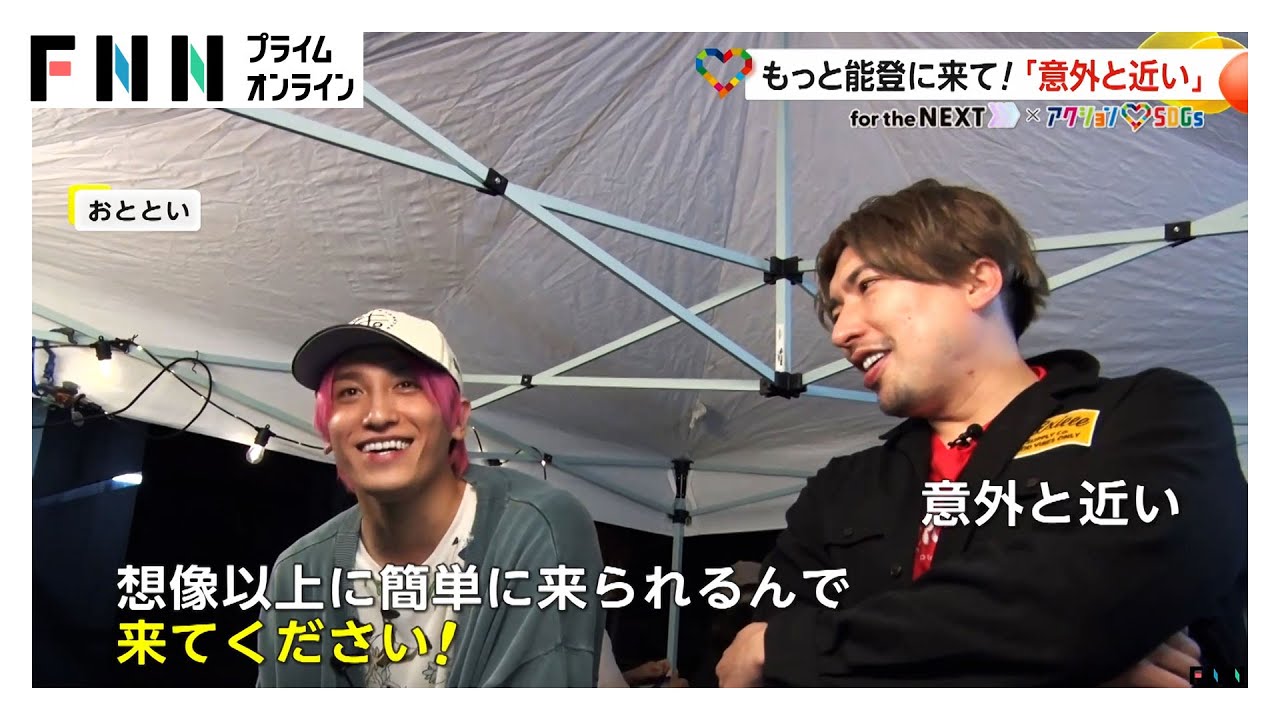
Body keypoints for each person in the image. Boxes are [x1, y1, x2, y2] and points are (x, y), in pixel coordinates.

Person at [716, 179, 1247, 687]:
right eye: (835, 310)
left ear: (978, 281)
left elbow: (1083, 606)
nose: (840, 332)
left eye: (867, 287)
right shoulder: (840, 490)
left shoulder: (1154, 415)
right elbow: (752, 675)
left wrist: (796, 652)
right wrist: (1055, 677)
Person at [255, 308, 605, 687]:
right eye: (350, 392)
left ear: (458, 419)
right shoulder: (298, 573)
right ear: (326, 431)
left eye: (407, 384)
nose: (377, 415)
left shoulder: (536, 528)